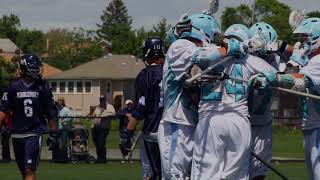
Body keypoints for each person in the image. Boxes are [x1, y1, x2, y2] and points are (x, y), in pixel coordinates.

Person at [158, 13, 249, 179]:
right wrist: (230, 48)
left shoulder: (193, 47)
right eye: (214, 36)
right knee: (175, 176)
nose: (216, 40)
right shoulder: (180, 45)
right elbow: (203, 56)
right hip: (177, 123)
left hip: (195, 124)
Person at [252, 17, 320, 180]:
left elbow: (295, 79)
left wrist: (273, 78)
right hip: (312, 128)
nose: (301, 42)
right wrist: (284, 48)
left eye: (305, 37)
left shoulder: (318, 60)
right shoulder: (312, 60)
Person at [0, 54, 57, 180]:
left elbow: (50, 110)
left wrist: (54, 131)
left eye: (38, 67)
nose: (37, 70)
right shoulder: (13, 86)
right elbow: (3, 110)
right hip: (17, 134)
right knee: (24, 173)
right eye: (34, 68)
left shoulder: (42, 86)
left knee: (29, 170)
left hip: (34, 133)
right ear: (25, 68)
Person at [247, 22, 281, 180]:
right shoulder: (245, 61)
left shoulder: (275, 59)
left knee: (259, 174)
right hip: (244, 122)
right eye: (264, 53)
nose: (268, 56)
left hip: (263, 123)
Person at [92, 95, 115, 163]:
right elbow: (94, 116)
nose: (102, 101)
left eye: (103, 100)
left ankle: (102, 158)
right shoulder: (97, 108)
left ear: (105, 100)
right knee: (97, 144)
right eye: (101, 100)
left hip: (104, 128)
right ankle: (99, 158)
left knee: (101, 143)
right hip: (95, 127)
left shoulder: (109, 107)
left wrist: (103, 114)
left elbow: (113, 113)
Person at [52, 97, 71, 162]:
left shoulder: (66, 109)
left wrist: (64, 120)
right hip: (57, 128)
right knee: (56, 143)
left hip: (64, 128)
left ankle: (64, 158)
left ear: (62, 102)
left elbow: (70, 117)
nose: (58, 102)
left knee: (63, 143)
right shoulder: (57, 109)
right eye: (58, 101)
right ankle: (57, 158)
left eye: (60, 101)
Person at [116, 99, 135, 163]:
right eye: (128, 104)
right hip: (123, 130)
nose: (129, 106)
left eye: (130, 104)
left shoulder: (134, 111)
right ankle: (124, 158)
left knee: (131, 145)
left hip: (131, 131)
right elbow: (117, 115)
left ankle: (130, 158)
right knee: (122, 144)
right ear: (126, 105)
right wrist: (125, 114)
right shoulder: (123, 111)